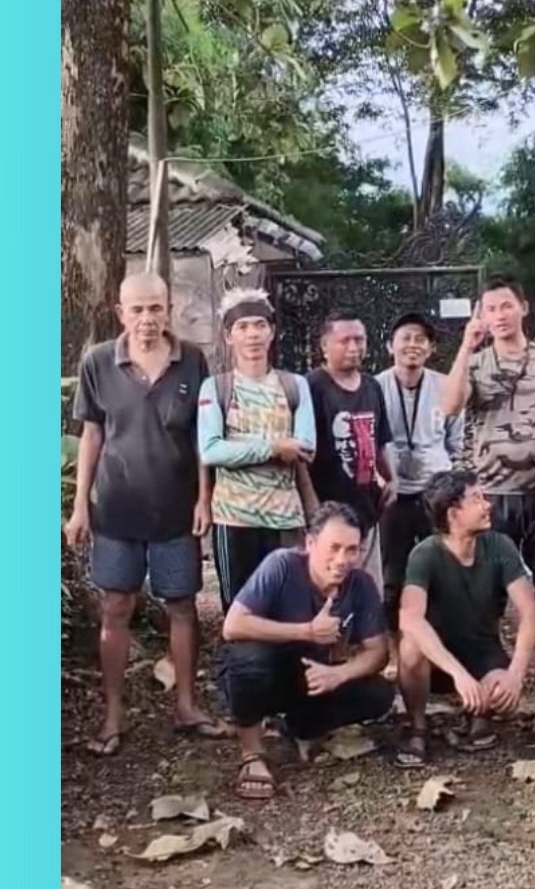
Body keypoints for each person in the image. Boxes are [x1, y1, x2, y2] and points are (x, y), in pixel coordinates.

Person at [65, 271, 226, 755]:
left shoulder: (192, 361)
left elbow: (203, 437)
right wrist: (79, 507)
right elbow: (92, 436)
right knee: (116, 607)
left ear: (168, 309)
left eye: (155, 308)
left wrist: (204, 497)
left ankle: (186, 705)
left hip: (177, 510)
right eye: (136, 309)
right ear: (121, 313)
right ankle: (113, 716)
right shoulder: (98, 362)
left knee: (182, 607)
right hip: (115, 510)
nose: (147, 319)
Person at [221, 502, 393, 800]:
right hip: (268, 667)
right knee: (249, 658)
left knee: (379, 693)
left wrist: (339, 674)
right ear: (311, 543)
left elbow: (378, 653)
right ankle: (252, 753)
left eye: (352, 550)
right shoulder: (282, 565)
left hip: (315, 675)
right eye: (334, 547)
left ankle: (300, 726)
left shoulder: (361, 584)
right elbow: (233, 625)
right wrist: (307, 631)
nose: (342, 559)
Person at [441, 275, 535, 613]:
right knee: (488, 585)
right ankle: (490, 656)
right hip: (492, 492)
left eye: (506, 306)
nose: (499, 315)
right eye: (490, 309)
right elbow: (449, 406)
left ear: (523, 308)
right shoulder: (475, 364)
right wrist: (466, 346)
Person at [397, 470, 535, 764]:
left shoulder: (500, 546)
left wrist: (515, 675)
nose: (487, 505)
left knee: (503, 696)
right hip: (439, 660)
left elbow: (528, 613)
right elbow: (410, 619)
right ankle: (418, 727)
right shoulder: (424, 555)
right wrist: (458, 674)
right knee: (410, 648)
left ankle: (478, 713)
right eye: (477, 499)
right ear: (453, 513)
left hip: (483, 655)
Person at [197, 288, 316, 612]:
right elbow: (211, 451)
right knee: (238, 610)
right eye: (243, 326)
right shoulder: (216, 388)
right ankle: (239, 666)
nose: (252, 334)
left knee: (288, 608)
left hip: (286, 520)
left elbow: (306, 448)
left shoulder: (295, 385)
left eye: (260, 325)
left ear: (272, 332)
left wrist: (241, 446)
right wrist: (274, 446)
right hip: (234, 519)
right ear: (228, 336)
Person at [376, 312, 464, 637]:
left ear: (431, 349)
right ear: (390, 346)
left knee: (440, 568)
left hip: (434, 493)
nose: (412, 345)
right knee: (391, 573)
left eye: (420, 340)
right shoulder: (376, 386)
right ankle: (394, 646)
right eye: (405, 338)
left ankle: (439, 641)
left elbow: (457, 441)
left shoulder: (445, 385)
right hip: (393, 494)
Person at [306, 311, 397, 594]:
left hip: (367, 507)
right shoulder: (312, 386)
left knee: (368, 591)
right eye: (344, 340)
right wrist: (311, 504)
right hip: (328, 508)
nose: (354, 347)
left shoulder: (372, 386)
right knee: (331, 591)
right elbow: (302, 455)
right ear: (324, 346)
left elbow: (380, 439)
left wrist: (391, 477)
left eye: (360, 340)